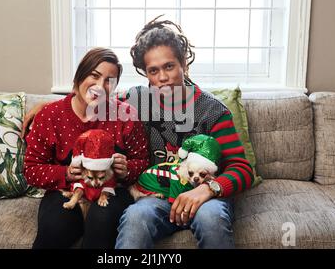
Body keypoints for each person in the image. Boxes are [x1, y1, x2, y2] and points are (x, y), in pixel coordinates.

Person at [23, 17, 254, 249]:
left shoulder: (212, 110)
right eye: (154, 71)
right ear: (146, 74)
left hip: (205, 197)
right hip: (156, 198)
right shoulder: (139, 100)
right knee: (134, 218)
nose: (162, 77)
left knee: (211, 219)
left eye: (169, 66)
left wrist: (207, 190)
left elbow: (242, 169)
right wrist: (46, 106)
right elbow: (96, 98)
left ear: (184, 63)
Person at [23, 47, 149, 249]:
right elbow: (31, 170)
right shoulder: (50, 115)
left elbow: (143, 162)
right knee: (55, 227)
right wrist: (66, 173)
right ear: (79, 77)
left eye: (109, 80)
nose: (100, 86)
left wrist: (127, 170)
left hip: (111, 191)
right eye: (95, 76)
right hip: (65, 191)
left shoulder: (125, 115)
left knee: (102, 221)